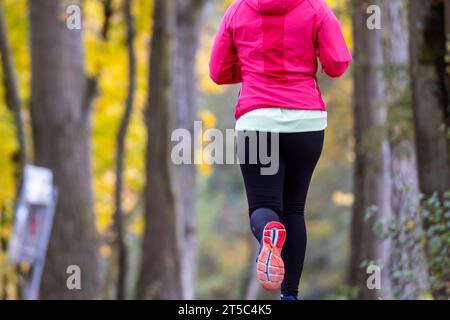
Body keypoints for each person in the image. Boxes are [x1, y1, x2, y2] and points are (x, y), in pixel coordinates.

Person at [209, 0, 351, 300]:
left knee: (263, 207)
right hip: (306, 121)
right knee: (295, 208)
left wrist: (251, 70)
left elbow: (218, 71)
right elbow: (337, 63)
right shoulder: (316, 8)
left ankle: (268, 233)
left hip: (258, 119)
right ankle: (290, 296)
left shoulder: (237, 10)